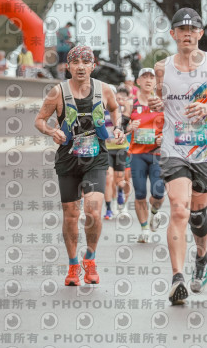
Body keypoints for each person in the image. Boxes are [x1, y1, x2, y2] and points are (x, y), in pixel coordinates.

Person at [148, 7, 207, 305]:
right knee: (179, 209)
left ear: (200, 33)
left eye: (192, 29)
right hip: (174, 149)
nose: (187, 34)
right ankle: (177, 278)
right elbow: (159, 100)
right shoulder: (161, 67)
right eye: (181, 29)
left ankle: (202, 256)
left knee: (198, 216)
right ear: (173, 34)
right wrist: (155, 103)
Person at [34, 45, 125, 286]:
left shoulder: (104, 90)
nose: (81, 67)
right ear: (68, 66)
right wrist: (52, 131)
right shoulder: (57, 92)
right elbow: (39, 120)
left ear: (93, 66)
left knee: (93, 211)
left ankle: (90, 259)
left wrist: (118, 127)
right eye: (75, 62)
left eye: (86, 62)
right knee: (71, 214)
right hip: (68, 159)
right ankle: (73, 264)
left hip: (96, 157)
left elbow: (115, 109)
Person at [125, 68, 165, 243]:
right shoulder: (131, 103)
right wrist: (129, 128)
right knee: (140, 192)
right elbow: (120, 126)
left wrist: (164, 138)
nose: (148, 80)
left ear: (156, 82)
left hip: (157, 153)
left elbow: (173, 126)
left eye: (152, 77)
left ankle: (154, 213)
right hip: (137, 154)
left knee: (158, 192)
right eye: (144, 77)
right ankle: (144, 229)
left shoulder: (163, 103)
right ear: (138, 81)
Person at [103, 85, 131, 219]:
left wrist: (129, 129)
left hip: (120, 148)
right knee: (108, 179)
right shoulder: (99, 111)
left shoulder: (121, 110)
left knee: (120, 180)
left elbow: (127, 126)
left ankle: (120, 196)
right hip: (106, 149)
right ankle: (108, 209)